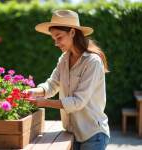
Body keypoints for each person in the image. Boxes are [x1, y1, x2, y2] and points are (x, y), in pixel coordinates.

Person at [24, 10, 110, 150]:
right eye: (54, 39)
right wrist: (34, 91)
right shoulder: (63, 59)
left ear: (72, 32)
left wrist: (45, 102)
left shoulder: (93, 61)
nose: (56, 43)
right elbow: (52, 84)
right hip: (71, 134)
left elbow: (78, 102)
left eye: (59, 37)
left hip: (93, 135)